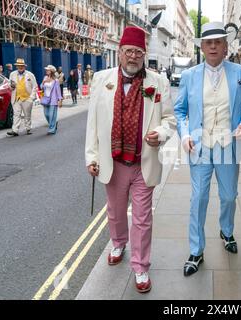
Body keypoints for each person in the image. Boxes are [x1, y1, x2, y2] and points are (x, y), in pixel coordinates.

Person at [85, 26, 176, 294]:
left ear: (144, 54)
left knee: (142, 218)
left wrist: (160, 133)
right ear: (120, 53)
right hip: (112, 162)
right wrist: (91, 156)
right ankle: (118, 242)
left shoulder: (158, 83)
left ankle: (140, 266)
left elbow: (170, 120)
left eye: (138, 52)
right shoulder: (102, 79)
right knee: (114, 211)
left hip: (143, 162)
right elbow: (92, 123)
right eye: (128, 51)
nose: (133, 56)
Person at [174, 22, 241, 277]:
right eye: (208, 42)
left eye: (218, 42)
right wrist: (185, 134)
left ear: (225, 47)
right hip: (200, 145)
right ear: (201, 46)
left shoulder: (240, 72)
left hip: (228, 145)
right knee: (198, 199)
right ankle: (196, 250)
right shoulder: (189, 76)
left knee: (230, 196)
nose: (212, 46)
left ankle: (226, 230)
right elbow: (179, 111)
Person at [7, 58, 38, 137]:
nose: (20, 67)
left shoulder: (30, 75)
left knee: (27, 115)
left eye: (22, 66)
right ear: (16, 66)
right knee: (16, 114)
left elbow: (35, 86)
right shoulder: (12, 74)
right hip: (16, 98)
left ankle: (28, 128)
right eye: (18, 66)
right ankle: (15, 130)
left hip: (27, 98)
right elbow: (9, 86)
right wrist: (11, 86)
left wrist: (31, 98)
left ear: (24, 66)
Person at [40, 65, 63, 135]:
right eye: (46, 70)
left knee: (51, 115)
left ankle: (51, 129)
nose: (46, 71)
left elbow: (58, 91)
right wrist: (44, 82)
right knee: (46, 114)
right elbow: (41, 87)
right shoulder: (45, 78)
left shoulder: (56, 80)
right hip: (45, 99)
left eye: (48, 70)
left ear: (51, 71)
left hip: (53, 99)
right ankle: (54, 123)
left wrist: (60, 100)